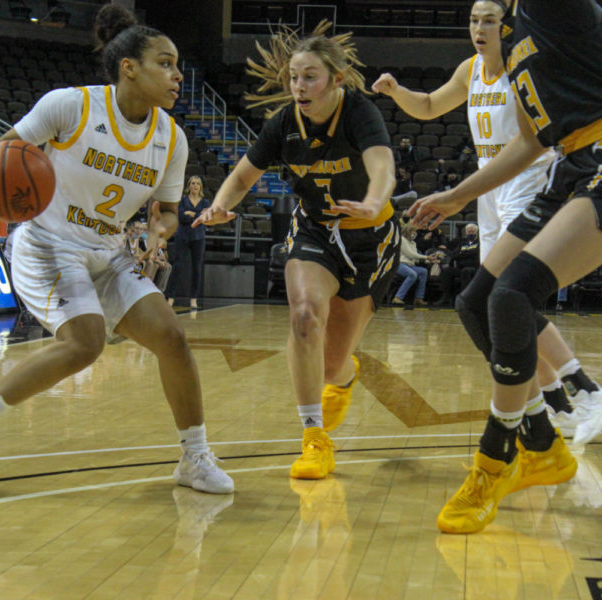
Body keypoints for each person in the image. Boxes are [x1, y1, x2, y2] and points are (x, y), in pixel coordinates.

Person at [0, 4, 233, 495]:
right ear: (128, 67)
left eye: (178, 64)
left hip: (108, 250)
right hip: (48, 243)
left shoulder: (172, 139)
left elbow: (168, 212)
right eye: (165, 62)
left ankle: (194, 459)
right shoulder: (69, 106)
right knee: (86, 342)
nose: (178, 75)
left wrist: (159, 233)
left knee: (172, 339)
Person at [407, 0, 602, 533]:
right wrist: (459, 195)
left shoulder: (555, 11)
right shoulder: (514, 37)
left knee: (513, 294)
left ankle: (495, 457)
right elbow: (530, 140)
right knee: (476, 301)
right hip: (572, 164)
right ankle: (543, 447)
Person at [373, 0, 602, 450]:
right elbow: (428, 105)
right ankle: (558, 404)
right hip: (490, 187)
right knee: (499, 305)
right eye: (473, 20)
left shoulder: (523, 64)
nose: (480, 27)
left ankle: (585, 389)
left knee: (508, 294)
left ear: (507, 26)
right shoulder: (470, 70)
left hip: (530, 177)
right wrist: (396, 91)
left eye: (489, 20)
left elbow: (537, 135)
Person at [193, 21, 399, 480]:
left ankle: (345, 376)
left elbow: (382, 164)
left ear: (336, 80)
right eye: (293, 77)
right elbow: (244, 173)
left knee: (332, 365)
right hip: (315, 232)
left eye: (309, 77)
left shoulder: (360, 113)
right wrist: (221, 206)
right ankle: (313, 439)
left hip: (370, 239)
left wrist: (374, 200)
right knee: (304, 316)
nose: (299, 87)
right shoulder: (285, 123)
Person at [165, 175, 210, 309]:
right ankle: (170, 298)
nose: (195, 186)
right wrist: (197, 215)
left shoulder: (205, 202)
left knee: (196, 268)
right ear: (188, 186)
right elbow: (180, 217)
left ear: (200, 186)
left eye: (197, 183)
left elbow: (205, 219)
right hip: (182, 236)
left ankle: (194, 299)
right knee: (177, 267)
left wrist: (192, 214)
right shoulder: (183, 200)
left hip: (198, 237)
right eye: (192, 183)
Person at [392, 220, 436, 306]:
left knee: (423, 271)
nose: (414, 233)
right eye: (413, 231)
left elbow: (415, 259)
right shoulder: (402, 240)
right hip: (399, 264)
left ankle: (419, 298)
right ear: (407, 231)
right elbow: (410, 254)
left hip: (410, 265)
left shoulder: (413, 243)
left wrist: (430, 260)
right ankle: (397, 297)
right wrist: (426, 257)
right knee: (412, 274)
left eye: (415, 231)